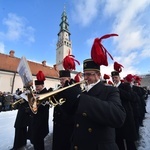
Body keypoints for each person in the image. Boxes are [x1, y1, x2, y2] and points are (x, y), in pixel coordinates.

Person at [55, 58, 126, 150]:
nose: (85, 78)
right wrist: (65, 103)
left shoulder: (110, 90)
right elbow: (72, 119)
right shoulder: (83, 93)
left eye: (89, 74)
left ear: (98, 75)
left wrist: (79, 98)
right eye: (84, 74)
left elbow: (119, 117)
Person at [111, 71, 138, 150]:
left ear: (119, 78)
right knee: (119, 139)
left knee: (129, 140)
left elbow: (131, 97)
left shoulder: (125, 86)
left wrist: (117, 90)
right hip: (116, 115)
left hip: (127, 116)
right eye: (113, 78)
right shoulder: (111, 87)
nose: (114, 79)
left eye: (116, 77)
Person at [52, 70, 75, 150]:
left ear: (69, 78)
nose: (61, 81)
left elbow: (71, 106)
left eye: (63, 79)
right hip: (58, 122)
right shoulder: (60, 88)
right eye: (60, 79)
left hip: (66, 124)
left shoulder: (73, 88)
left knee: (65, 145)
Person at [29, 71, 51, 150]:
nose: (36, 88)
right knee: (36, 142)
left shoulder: (45, 93)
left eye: (38, 86)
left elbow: (42, 107)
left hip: (40, 122)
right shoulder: (38, 93)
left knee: (39, 143)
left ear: (42, 85)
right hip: (36, 121)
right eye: (36, 86)